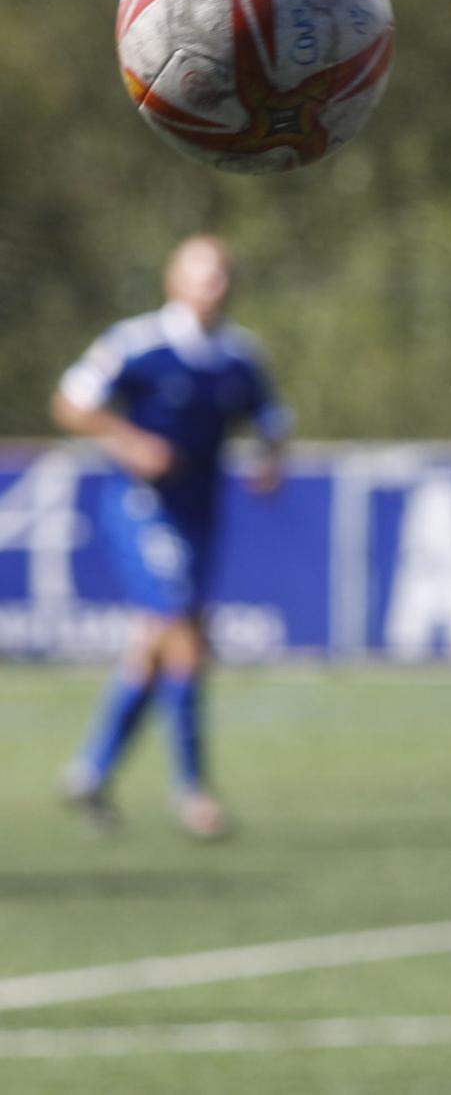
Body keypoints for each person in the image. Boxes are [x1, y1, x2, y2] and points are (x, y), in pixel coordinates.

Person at [55, 235, 288, 838]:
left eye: (224, 274)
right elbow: (71, 402)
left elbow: (271, 420)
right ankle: (194, 794)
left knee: (157, 647)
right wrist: (129, 443)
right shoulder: (137, 345)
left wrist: (270, 458)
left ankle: (92, 772)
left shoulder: (239, 355)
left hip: (201, 515)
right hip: (140, 509)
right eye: (204, 274)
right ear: (174, 281)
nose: (216, 284)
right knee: (183, 637)